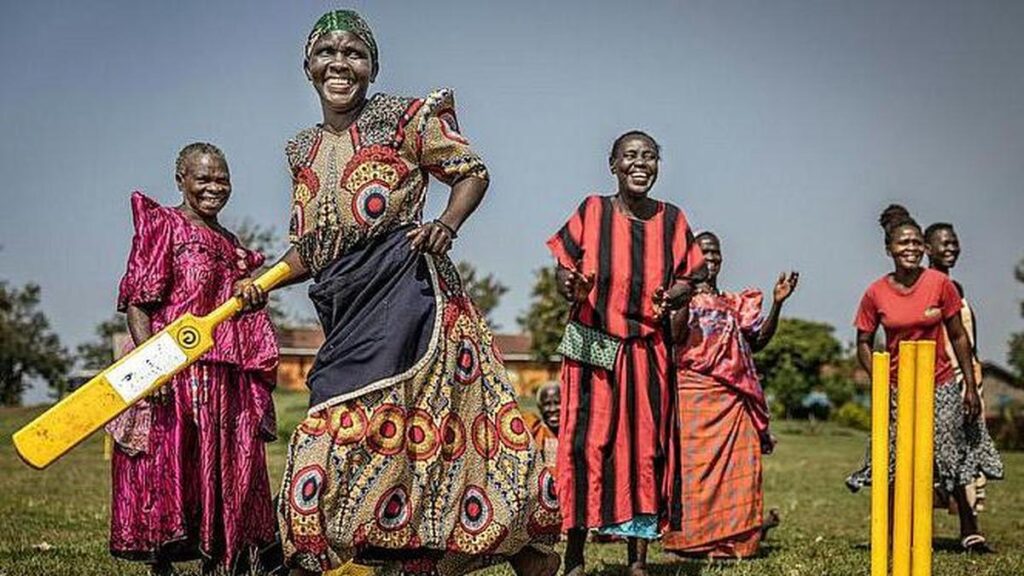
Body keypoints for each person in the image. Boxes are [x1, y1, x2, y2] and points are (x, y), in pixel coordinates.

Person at [266, 11, 560, 576]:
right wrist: (259, 284)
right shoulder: (299, 149)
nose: (340, 63)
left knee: (409, 436)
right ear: (307, 67)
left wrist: (446, 225)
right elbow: (311, 245)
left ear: (373, 67)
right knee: (346, 428)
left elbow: (471, 171)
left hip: (413, 300)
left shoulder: (406, 119)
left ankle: (512, 544)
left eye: (354, 53)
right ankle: (373, 554)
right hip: (346, 311)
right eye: (326, 52)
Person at [108, 143, 278, 575]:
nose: (214, 188)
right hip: (175, 370)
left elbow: (236, 310)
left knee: (225, 468)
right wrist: (153, 366)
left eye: (222, 179)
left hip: (224, 375)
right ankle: (162, 565)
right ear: (180, 179)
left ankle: (219, 560)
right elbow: (138, 303)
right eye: (203, 178)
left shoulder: (231, 243)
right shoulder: (164, 225)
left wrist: (250, 293)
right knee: (169, 466)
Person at [547, 130, 705, 576]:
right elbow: (564, 271)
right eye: (630, 156)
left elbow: (689, 276)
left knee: (644, 448)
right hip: (591, 336)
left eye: (649, 156)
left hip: (646, 346)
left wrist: (675, 293)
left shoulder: (673, 220)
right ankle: (574, 556)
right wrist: (571, 287)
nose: (641, 163)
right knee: (585, 444)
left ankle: (637, 560)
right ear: (613, 164)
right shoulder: (592, 210)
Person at [845, 205, 1003, 553]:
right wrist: (880, 379)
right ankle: (889, 533)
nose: (912, 248)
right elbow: (863, 343)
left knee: (952, 455)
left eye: (917, 242)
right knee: (894, 457)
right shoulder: (875, 293)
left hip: (940, 380)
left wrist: (971, 388)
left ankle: (969, 530)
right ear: (889, 249)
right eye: (903, 243)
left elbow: (958, 335)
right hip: (899, 386)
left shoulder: (940, 284)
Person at [662, 231, 797, 558]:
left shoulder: (737, 303)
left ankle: (735, 541)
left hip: (734, 398)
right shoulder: (680, 298)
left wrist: (777, 304)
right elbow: (675, 337)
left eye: (715, 253)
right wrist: (683, 293)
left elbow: (757, 342)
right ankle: (689, 541)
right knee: (692, 473)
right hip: (693, 394)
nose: (710, 259)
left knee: (740, 472)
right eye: (703, 253)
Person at [925, 222, 991, 517]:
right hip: (941, 380)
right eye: (944, 243)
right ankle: (964, 521)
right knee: (946, 452)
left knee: (972, 448)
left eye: (954, 242)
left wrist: (974, 376)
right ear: (928, 249)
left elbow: (966, 338)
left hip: (969, 378)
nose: (951, 248)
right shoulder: (924, 287)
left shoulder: (956, 289)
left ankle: (969, 519)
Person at [525, 381, 560, 470]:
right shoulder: (533, 431)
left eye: (557, 403)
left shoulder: (575, 434)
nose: (552, 409)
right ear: (540, 408)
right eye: (547, 404)